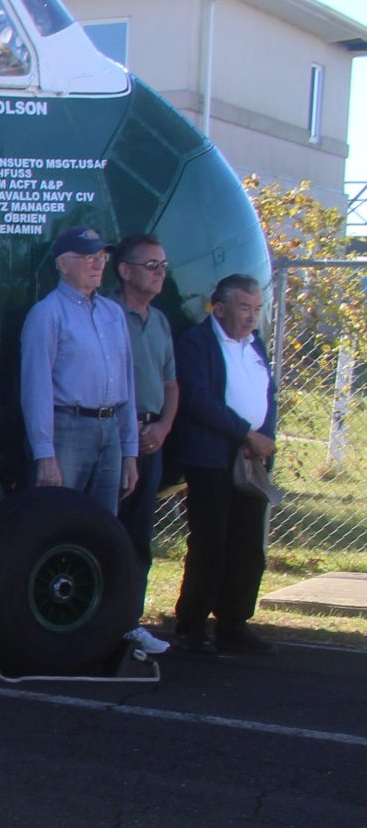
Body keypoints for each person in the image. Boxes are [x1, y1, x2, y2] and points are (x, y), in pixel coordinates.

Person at [170, 273, 279, 656]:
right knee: (210, 542)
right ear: (219, 308)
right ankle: (191, 625)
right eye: (244, 308)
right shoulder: (197, 343)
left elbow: (268, 393)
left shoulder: (255, 343)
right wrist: (245, 434)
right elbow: (198, 400)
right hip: (211, 458)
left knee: (248, 544)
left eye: (257, 309)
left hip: (251, 459)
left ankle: (233, 623)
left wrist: (264, 437)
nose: (251, 317)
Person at [18, 226, 138, 511]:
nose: (98, 264)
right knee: (59, 516)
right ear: (63, 265)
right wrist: (45, 455)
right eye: (88, 257)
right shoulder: (47, 314)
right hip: (68, 429)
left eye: (102, 257)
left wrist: (129, 451)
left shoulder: (113, 313)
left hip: (110, 428)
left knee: (103, 521)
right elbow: (36, 389)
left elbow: (127, 385)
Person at [110, 233, 178, 657]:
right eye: (151, 265)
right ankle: (98, 622)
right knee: (106, 530)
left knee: (139, 537)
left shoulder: (161, 322)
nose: (159, 274)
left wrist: (164, 428)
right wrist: (127, 431)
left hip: (153, 440)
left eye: (163, 266)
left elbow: (171, 384)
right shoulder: (107, 315)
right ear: (124, 270)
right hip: (115, 439)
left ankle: (129, 623)